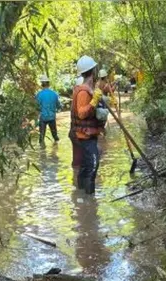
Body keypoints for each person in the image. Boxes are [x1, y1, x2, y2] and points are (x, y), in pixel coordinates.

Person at [71, 55, 108, 195]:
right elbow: (81, 113)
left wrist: (100, 99)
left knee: (86, 166)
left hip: (88, 134)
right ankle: (90, 199)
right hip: (84, 135)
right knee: (93, 164)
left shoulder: (89, 89)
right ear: (93, 71)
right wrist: (93, 102)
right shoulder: (83, 92)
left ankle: (81, 198)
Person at [35, 75, 61, 147]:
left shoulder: (39, 95)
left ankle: (42, 154)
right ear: (48, 84)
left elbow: (36, 107)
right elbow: (59, 106)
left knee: (41, 138)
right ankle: (56, 149)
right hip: (52, 118)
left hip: (43, 118)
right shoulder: (54, 94)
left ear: (42, 84)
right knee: (55, 136)